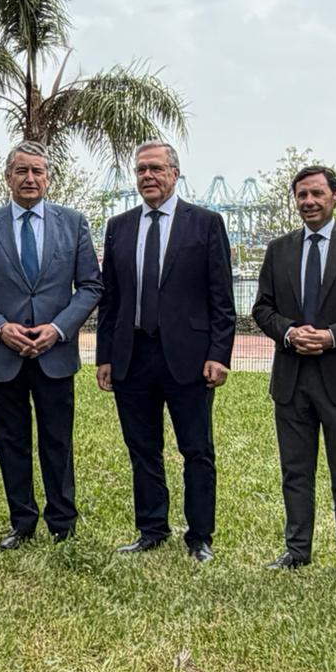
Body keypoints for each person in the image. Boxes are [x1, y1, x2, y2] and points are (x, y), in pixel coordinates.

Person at [0, 141, 102, 549]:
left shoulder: (73, 223)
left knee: (58, 441)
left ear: (49, 177)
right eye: (21, 171)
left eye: (38, 171)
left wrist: (59, 328)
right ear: (8, 178)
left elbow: (91, 285)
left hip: (55, 354)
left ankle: (62, 523)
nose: (30, 178)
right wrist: (0, 328)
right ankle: (22, 522)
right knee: (10, 441)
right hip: (3, 355)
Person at [96, 141, 236, 562]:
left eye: (156, 168)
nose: (147, 177)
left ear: (175, 173)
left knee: (196, 449)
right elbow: (110, 299)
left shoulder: (206, 224)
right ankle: (152, 528)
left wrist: (219, 353)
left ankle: (200, 536)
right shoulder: (118, 227)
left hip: (189, 357)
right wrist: (105, 355)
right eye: (141, 170)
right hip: (132, 354)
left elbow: (222, 299)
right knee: (143, 449)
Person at [252, 165, 336, 571]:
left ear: (335, 196)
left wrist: (331, 336)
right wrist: (290, 334)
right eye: (301, 196)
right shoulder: (279, 248)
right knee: (295, 471)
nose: (308, 202)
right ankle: (297, 551)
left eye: (316, 194)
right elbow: (262, 307)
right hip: (292, 377)